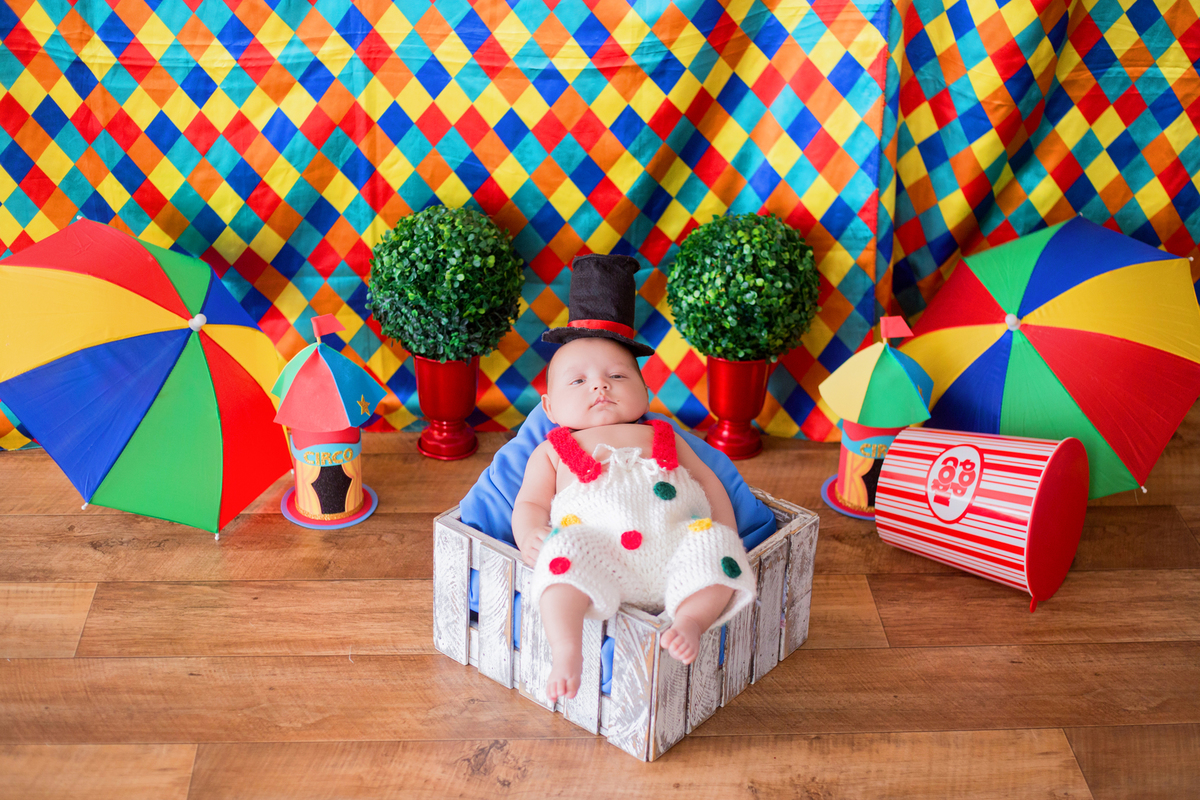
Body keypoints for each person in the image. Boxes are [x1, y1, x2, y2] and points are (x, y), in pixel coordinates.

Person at [512, 254, 756, 703]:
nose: (600, 387)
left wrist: (724, 531)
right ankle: (567, 650)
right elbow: (529, 503)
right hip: (598, 551)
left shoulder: (661, 434)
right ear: (549, 408)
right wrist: (530, 534)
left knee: (719, 553)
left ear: (644, 393)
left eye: (617, 376)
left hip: (676, 543)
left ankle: (691, 621)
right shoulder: (551, 451)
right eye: (578, 381)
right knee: (559, 559)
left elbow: (709, 482)